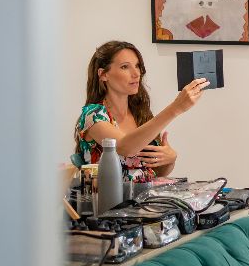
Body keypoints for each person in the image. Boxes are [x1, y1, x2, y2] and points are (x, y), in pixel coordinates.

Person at [73, 40, 209, 182]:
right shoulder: (93, 115)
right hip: (107, 196)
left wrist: (170, 159)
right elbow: (125, 147)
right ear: (103, 74)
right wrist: (176, 107)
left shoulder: (140, 114)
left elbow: (156, 172)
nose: (136, 73)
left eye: (137, 66)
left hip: (146, 195)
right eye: (125, 67)